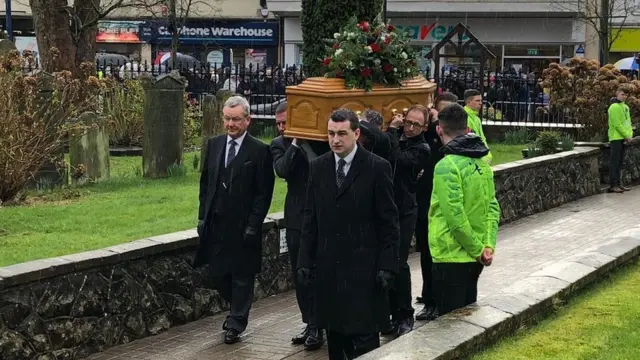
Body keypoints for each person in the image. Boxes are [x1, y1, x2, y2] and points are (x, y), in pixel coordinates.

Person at [298, 108, 400, 359]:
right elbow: (311, 219)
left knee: (364, 343)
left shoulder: (377, 168)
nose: (335, 140)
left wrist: (387, 266)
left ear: (356, 133)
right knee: (336, 340)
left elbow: (389, 222)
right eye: (331, 134)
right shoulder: (319, 167)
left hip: (364, 273)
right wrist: (304, 261)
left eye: (341, 134)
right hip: (329, 271)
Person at [195, 95, 276, 344]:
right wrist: (202, 217)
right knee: (217, 274)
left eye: (236, 120)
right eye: (227, 119)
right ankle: (236, 308)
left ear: (247, 120)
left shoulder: (260, 151)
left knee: (242, 275)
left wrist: (254, 224)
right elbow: (206, 184)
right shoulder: (215, 145)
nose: (230, 124)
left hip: (243, 227)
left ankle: (237, 321)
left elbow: (264, 193)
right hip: (217, 223)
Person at [428, 103, 500, 317]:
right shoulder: (483, 165)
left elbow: (454, 217)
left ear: (439, 130)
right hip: (476, 255)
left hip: (449, 254)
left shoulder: (446, 166)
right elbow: (492, 208)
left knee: (449, 323)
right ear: (468, 130)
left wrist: (478, 250)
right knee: (468, 316)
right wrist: (487, 246)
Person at [269, 102, 324, 350]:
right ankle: (311, 324)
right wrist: (293, 143)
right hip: (296, 218)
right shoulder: (278, 144)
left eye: (285, 122)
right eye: (278, 123)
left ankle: (323, 322)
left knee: (321, 271)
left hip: (322, 215)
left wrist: (304, 142)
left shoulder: (319, 141)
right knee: (301, 273)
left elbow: (320, 167)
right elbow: (282, 170)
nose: (281, 127)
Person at [384, 105, 431, 335]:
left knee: (399, 263)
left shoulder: (422, 148)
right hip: (386, 208)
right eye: (408, 122)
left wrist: (392, 132)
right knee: (386, 263)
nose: (410, 128)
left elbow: (399, 160)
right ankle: (391, 314)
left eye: (416, 124)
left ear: (425, 127)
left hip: (405, 210)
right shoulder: (396, 136)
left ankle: (405, 315)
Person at [415, 92, 458, 321]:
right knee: (427, 255)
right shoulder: (426, 137)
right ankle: (429, 299)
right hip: (425, 204)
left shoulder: (456, 141)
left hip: (447, 207)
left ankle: (443, 299)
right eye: (440, 114)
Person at [607, 86, 634, 193]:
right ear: (617, 93)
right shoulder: (614, 107)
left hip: (624, 137)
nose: (624, 97)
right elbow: (617, 124)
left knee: (620, 162)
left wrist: (629, 135)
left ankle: (618, 183)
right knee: (614, 162)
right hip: (616, 137)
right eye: (622, 94)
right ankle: (613, 184)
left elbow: (628, 123)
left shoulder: (626, 107)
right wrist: (626, 135)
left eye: (626, 95)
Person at [463, 89, 493, 164]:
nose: (480, 103)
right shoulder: (463, 118)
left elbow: (482, 139)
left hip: (483, 159)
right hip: (474, 161)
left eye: (481, 100)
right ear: (468, 102)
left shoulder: (476, 119)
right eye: (477, 101)